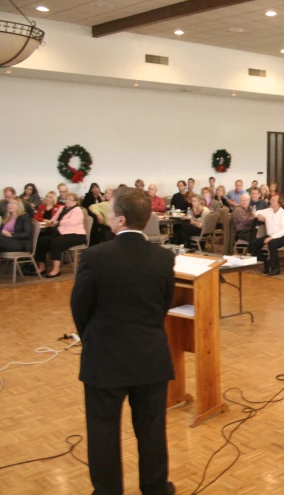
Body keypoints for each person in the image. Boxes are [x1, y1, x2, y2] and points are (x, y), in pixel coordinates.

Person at [70, 187, 176, 495]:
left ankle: (107, 491)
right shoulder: (164, 258)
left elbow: (80, 307)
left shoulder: (95, 257)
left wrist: (94, 336)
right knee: (152, 429)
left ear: (120, 219)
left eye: (110, 212)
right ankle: (156, 488)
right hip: (151, 355)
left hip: (105, 356)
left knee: (103, 431)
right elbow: (163, 303)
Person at [35, 193, 86, 277]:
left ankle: (56, 269)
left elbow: (72, 222)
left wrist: (59, 222)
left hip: (76, 234)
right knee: (41, 241)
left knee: (56, 242)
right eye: (66, 199)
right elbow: (54, 218)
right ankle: (42, 266)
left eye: (70, 199)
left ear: (76, 201)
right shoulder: (62, 208)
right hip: (61, 232)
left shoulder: (77, 210)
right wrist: (51, 222)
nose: (67, 201)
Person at [249, 195, 284, 276]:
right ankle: (266, 262)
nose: (270, 201)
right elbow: (257, 212)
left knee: (272, 244)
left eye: (273, 200)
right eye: (271, 200)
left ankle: (276, 269)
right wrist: (258, 216)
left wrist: (271, 238)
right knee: (253, 244)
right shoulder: (268, 210)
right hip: (270, 236)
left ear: (279, 203)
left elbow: (283, 231)